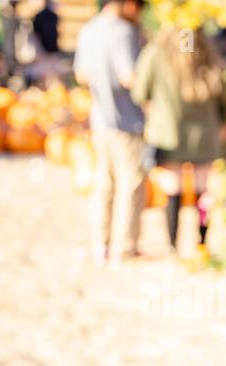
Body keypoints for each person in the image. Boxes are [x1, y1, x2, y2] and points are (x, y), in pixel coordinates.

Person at [131, 25, 226, 254]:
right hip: (205, 133)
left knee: (173, 186)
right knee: (202, 188)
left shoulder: (156, 52)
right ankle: (201, 243)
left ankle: (173, 245)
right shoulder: (205, 50)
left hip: (169, 133)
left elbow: (140, 92)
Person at [73, 0, 147, 263]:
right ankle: (125, 246)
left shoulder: (88, 29)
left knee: (103, 183)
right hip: (127, 120)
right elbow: (129, 76)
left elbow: (81, 74)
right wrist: (151, 101)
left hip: (99, 119)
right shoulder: (124, 32)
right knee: (131, 183)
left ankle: (100, 245)